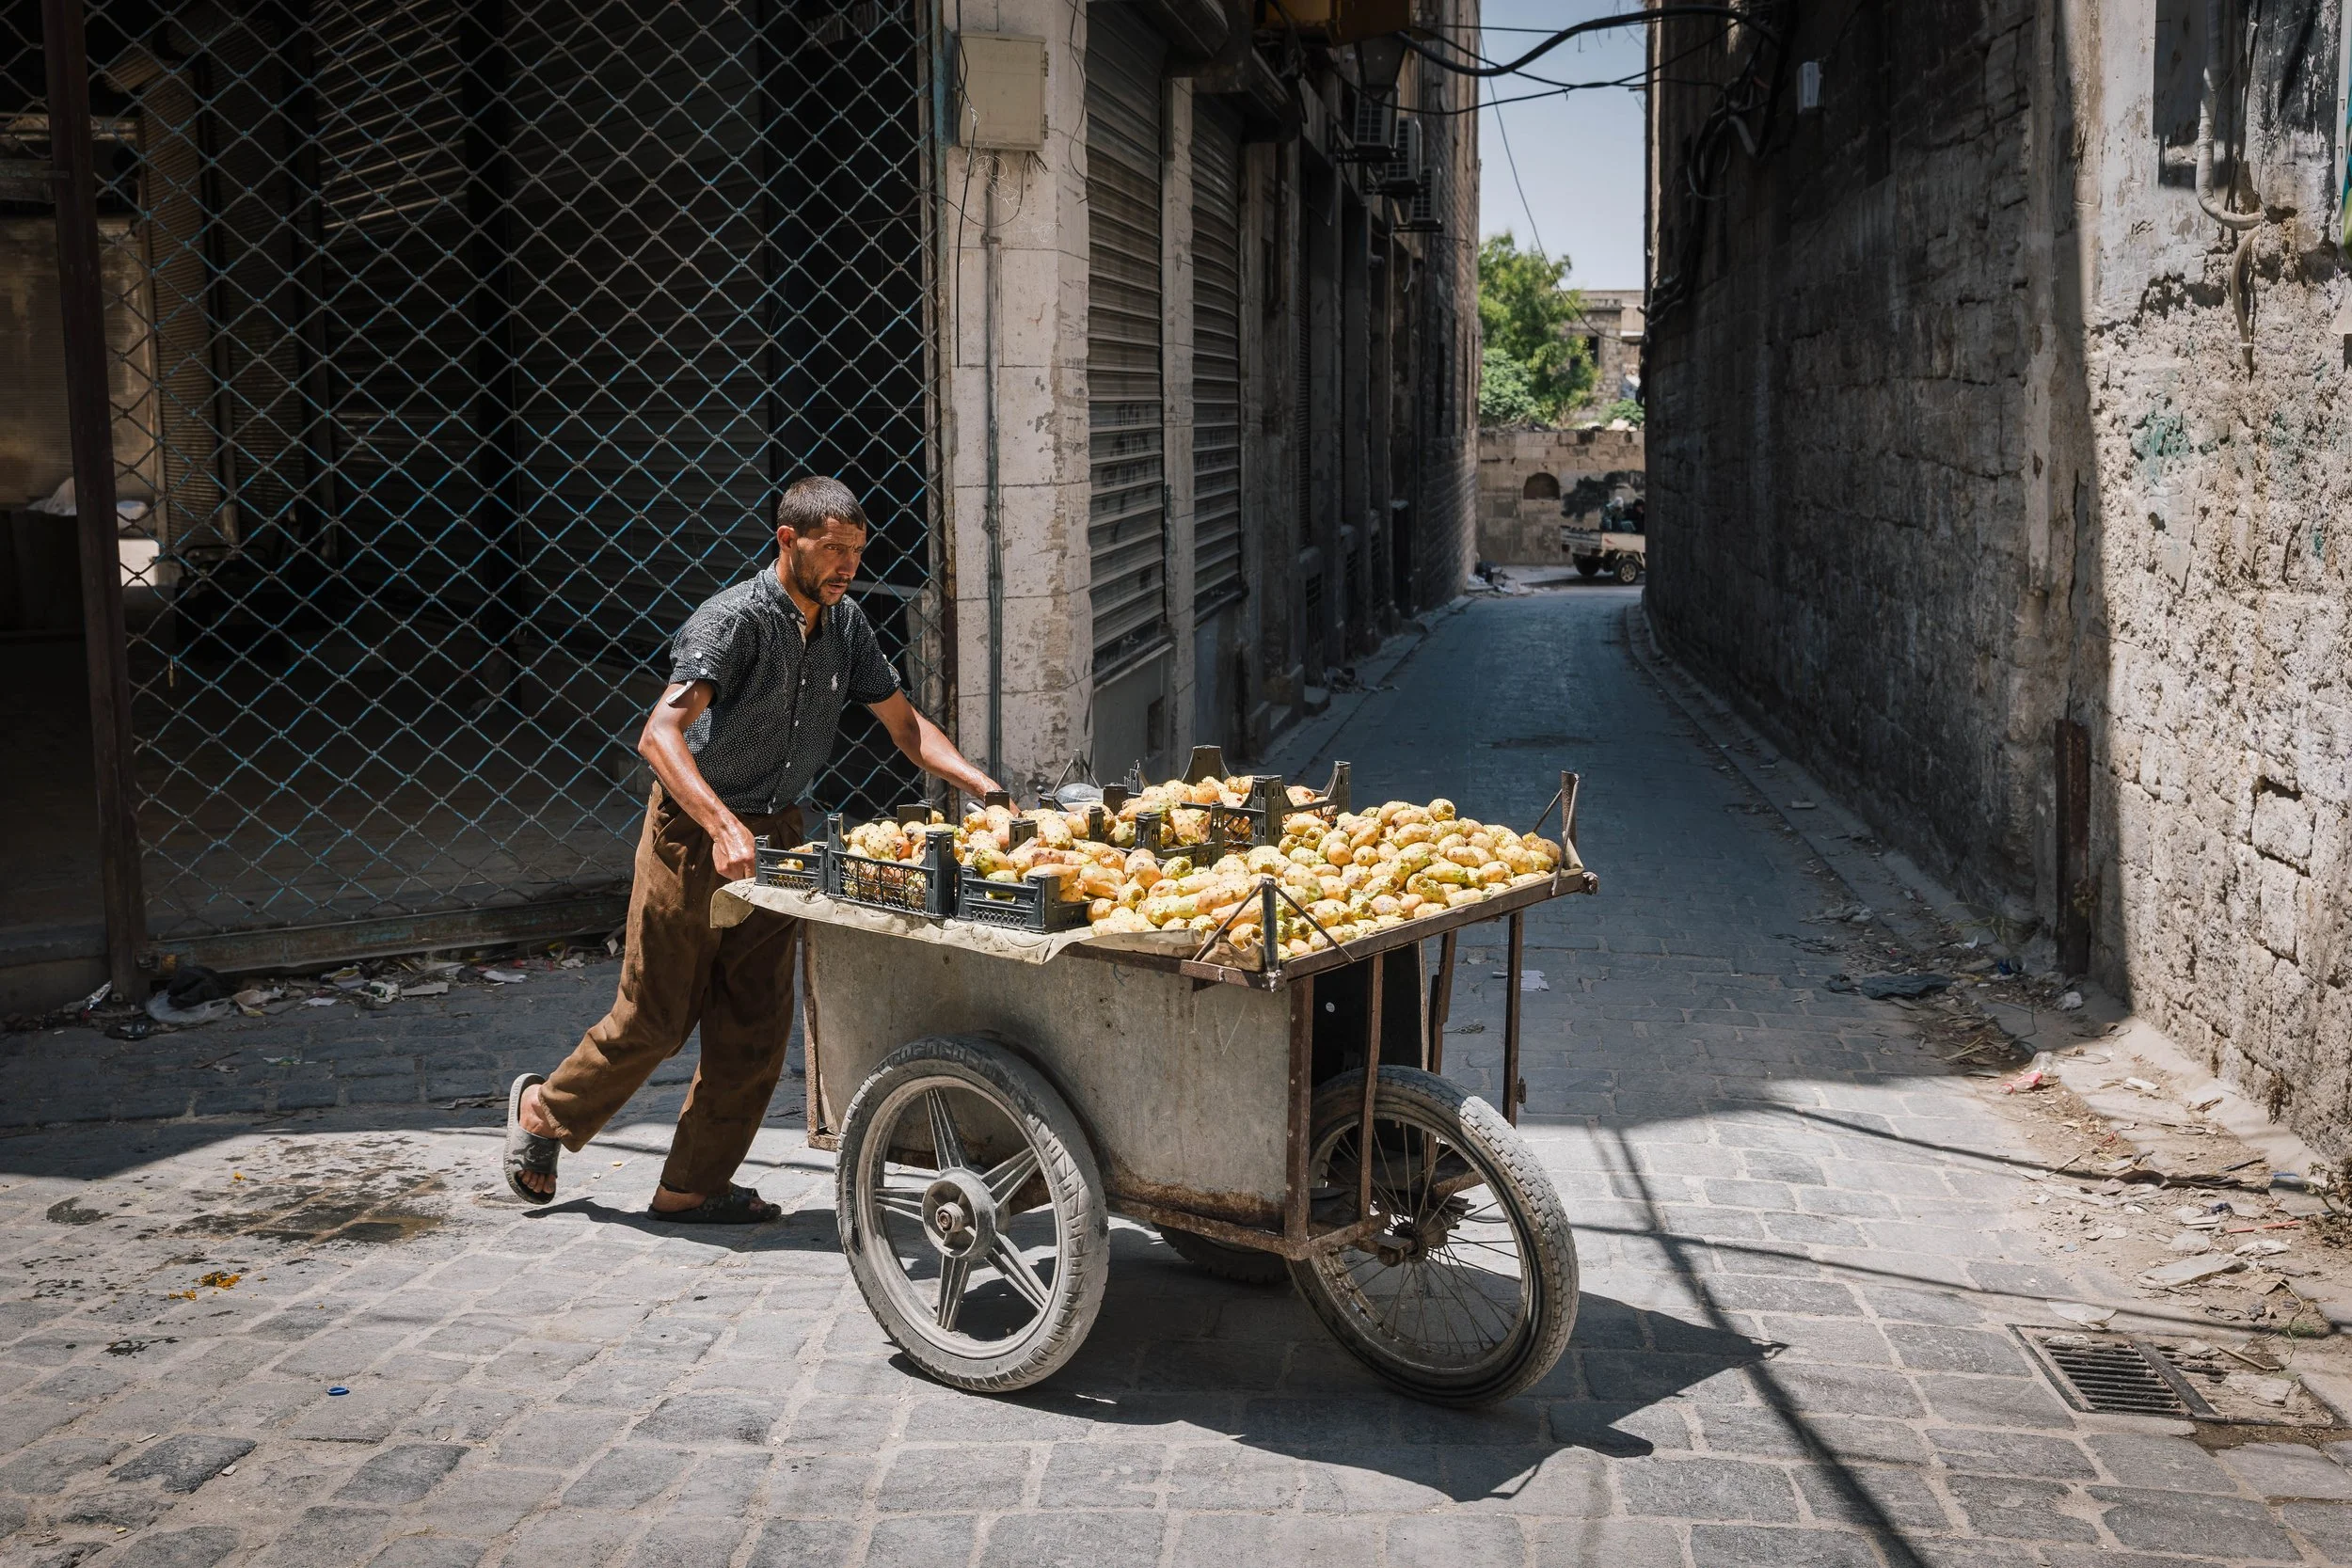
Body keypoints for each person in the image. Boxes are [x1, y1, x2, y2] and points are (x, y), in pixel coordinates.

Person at [502, 476, 999, 1221]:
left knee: (756, 1027)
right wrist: (722, 824)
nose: (845, 566)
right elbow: (659, 735)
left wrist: (976, 780)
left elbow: (904, 724)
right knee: (656, 1019)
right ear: (786, 540)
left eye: (856, 553)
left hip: (781, 839)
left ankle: (690, 1187)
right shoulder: (731, 620)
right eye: (831, 550)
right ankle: (546, 1110)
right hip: (694, 832)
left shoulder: (847, 624)